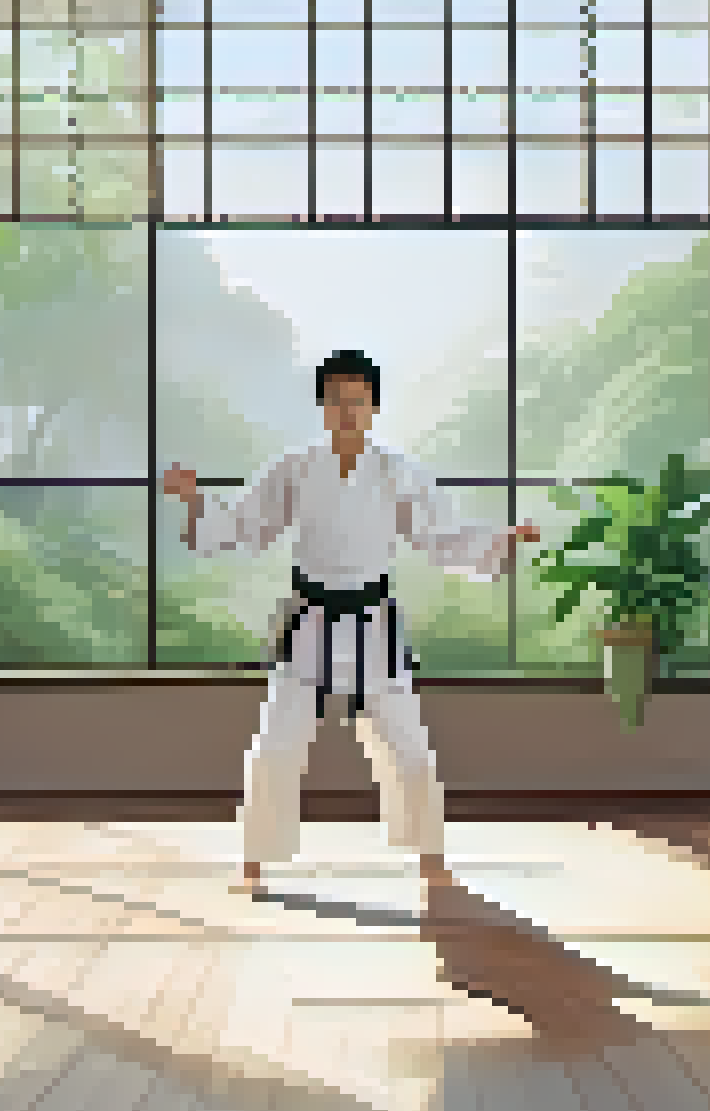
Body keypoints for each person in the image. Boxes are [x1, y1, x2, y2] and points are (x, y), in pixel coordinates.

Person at [163, 350, 538, 895]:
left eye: (357, 401)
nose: (347, 411)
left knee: (409, 748)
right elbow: (247, 527)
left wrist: (501, 540)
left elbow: (441, 537)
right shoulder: (293, 469)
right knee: (274, 746)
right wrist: (196, 499)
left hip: (372, 623)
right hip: (310, 621)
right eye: (337, 400)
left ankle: (431, 859)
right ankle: (254, 863)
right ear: (322, 404)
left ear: (374, 406)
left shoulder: (397, 472)